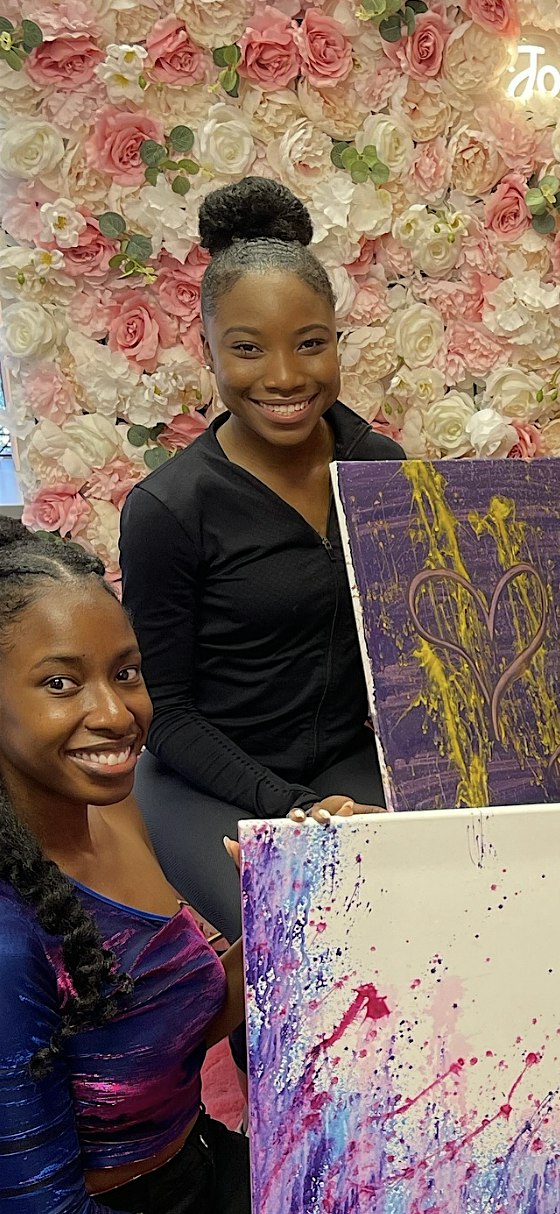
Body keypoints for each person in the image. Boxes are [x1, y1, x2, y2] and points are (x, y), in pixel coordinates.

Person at [120, 176, 404, 945]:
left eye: (310, 343)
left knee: (415, 908)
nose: (284, 377)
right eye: (247, 349)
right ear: (207, 350)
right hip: (207, 781)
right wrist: (292, 809)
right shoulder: (169, 509)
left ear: (337, 339)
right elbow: (166, 714)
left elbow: (416, 641)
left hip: (344, 758)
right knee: (297, 931)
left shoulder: (380, 469)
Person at [0, 519, 250, 1213]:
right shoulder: (10, 941)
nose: (116, 713)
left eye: (126, 673)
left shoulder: (114, 811)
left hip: (199, 1156)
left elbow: (169, 1024)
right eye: (61, 683)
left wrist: (298, 900)